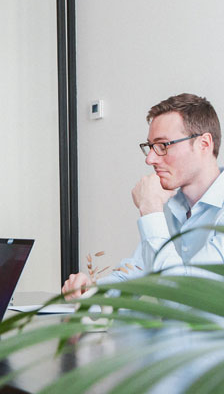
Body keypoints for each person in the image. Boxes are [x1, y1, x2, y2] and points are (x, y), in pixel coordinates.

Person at [62, 93, 224, 298]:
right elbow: (135, 274)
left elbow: (184, 298)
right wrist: (90, 291)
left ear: (204, 144)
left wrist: (151, 210)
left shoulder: (158, 209)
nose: (150, 159)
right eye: (150, 147)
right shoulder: (172, 207)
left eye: (163, 145)